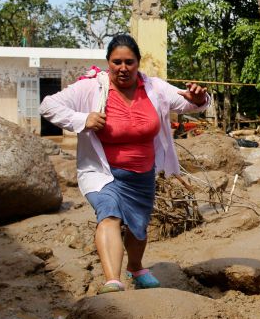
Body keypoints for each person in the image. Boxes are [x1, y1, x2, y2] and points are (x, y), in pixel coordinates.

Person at [39, 34, 208, 294]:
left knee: (139, 227)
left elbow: (188, 103)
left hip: (142, 174)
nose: (123, 68)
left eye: (129, 62)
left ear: (138, 63)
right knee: (109, 214)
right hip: (103, 172)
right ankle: (112, 281)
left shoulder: (154, 88)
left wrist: (198, 98)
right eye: (116, 62)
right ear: (108, 63)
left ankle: (137, 267)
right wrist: (83, 119)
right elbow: (48, 106)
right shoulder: (92, 87)